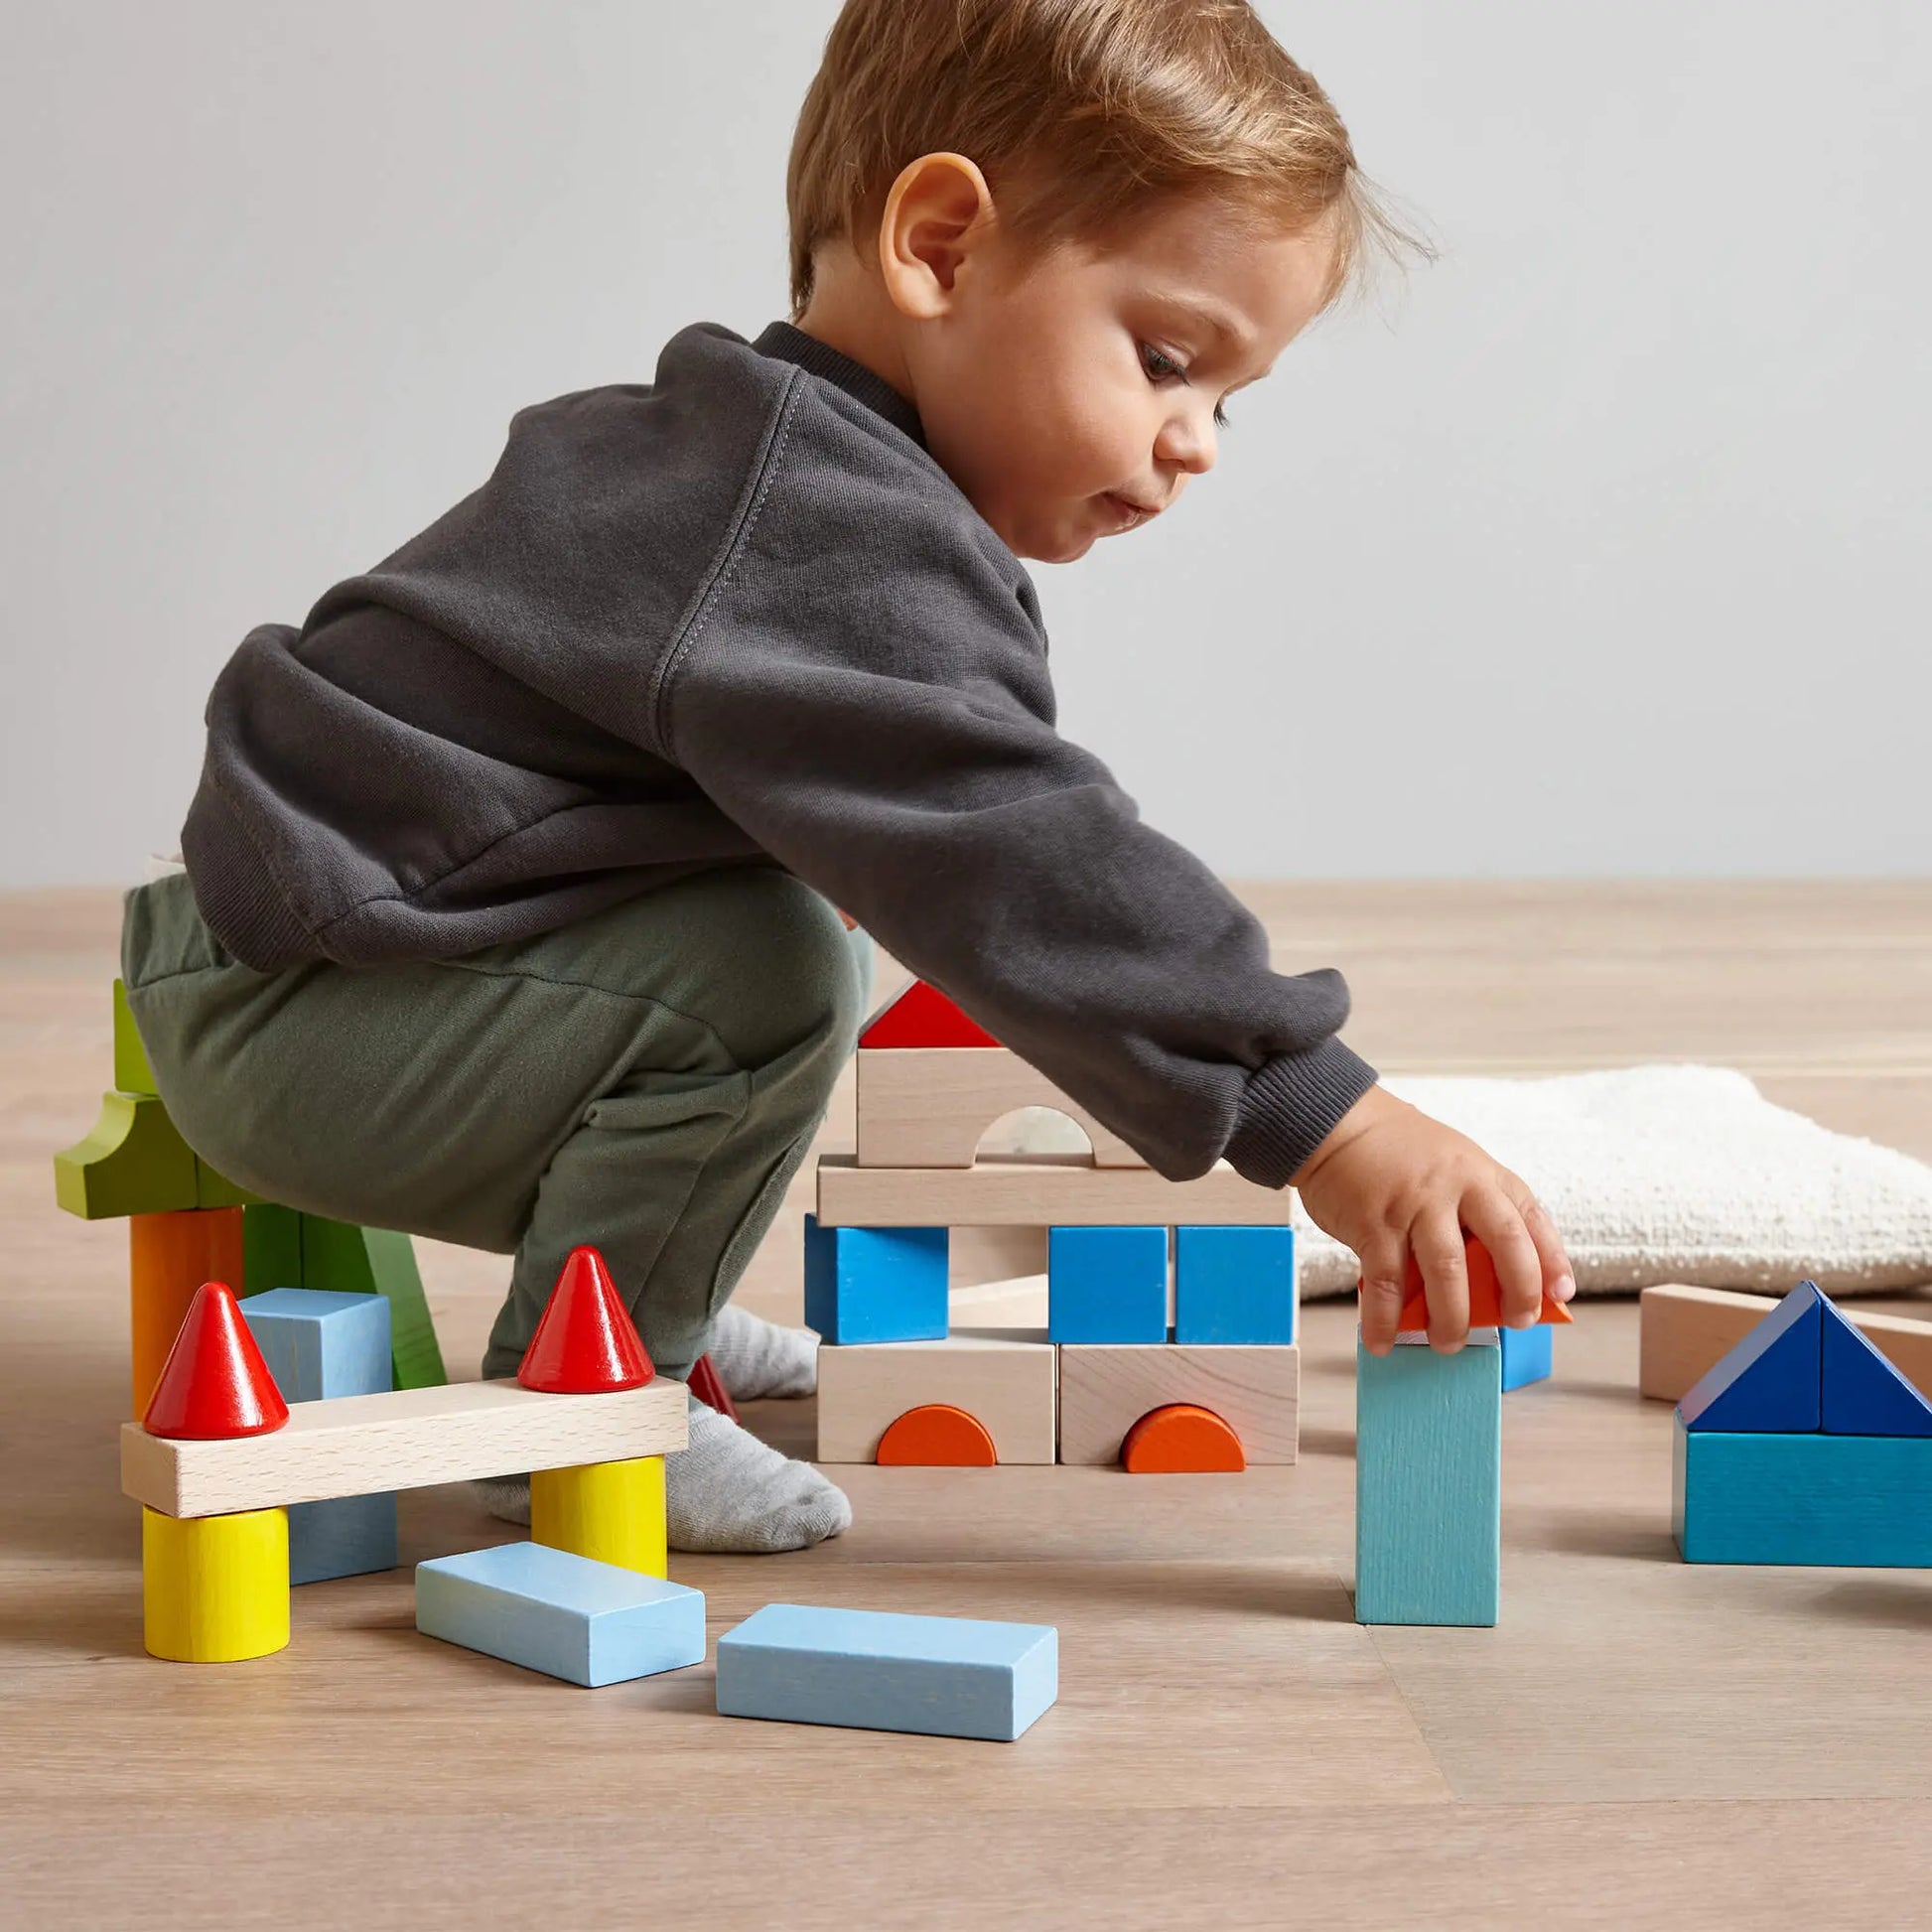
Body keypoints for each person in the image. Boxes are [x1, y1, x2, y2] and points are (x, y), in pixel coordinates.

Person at [120, 0, 1574, 1555]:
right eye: (1163, 358)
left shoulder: (777, 473)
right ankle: (594, 1409)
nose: (1195, 440)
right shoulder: (808, 532)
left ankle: (635, 1291)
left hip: (310, 959)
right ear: (940, 245)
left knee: (796, 917)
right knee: (765, 970)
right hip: (295, 1014)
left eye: (1225, 398)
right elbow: (1014, 850)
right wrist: (1319, 1116)